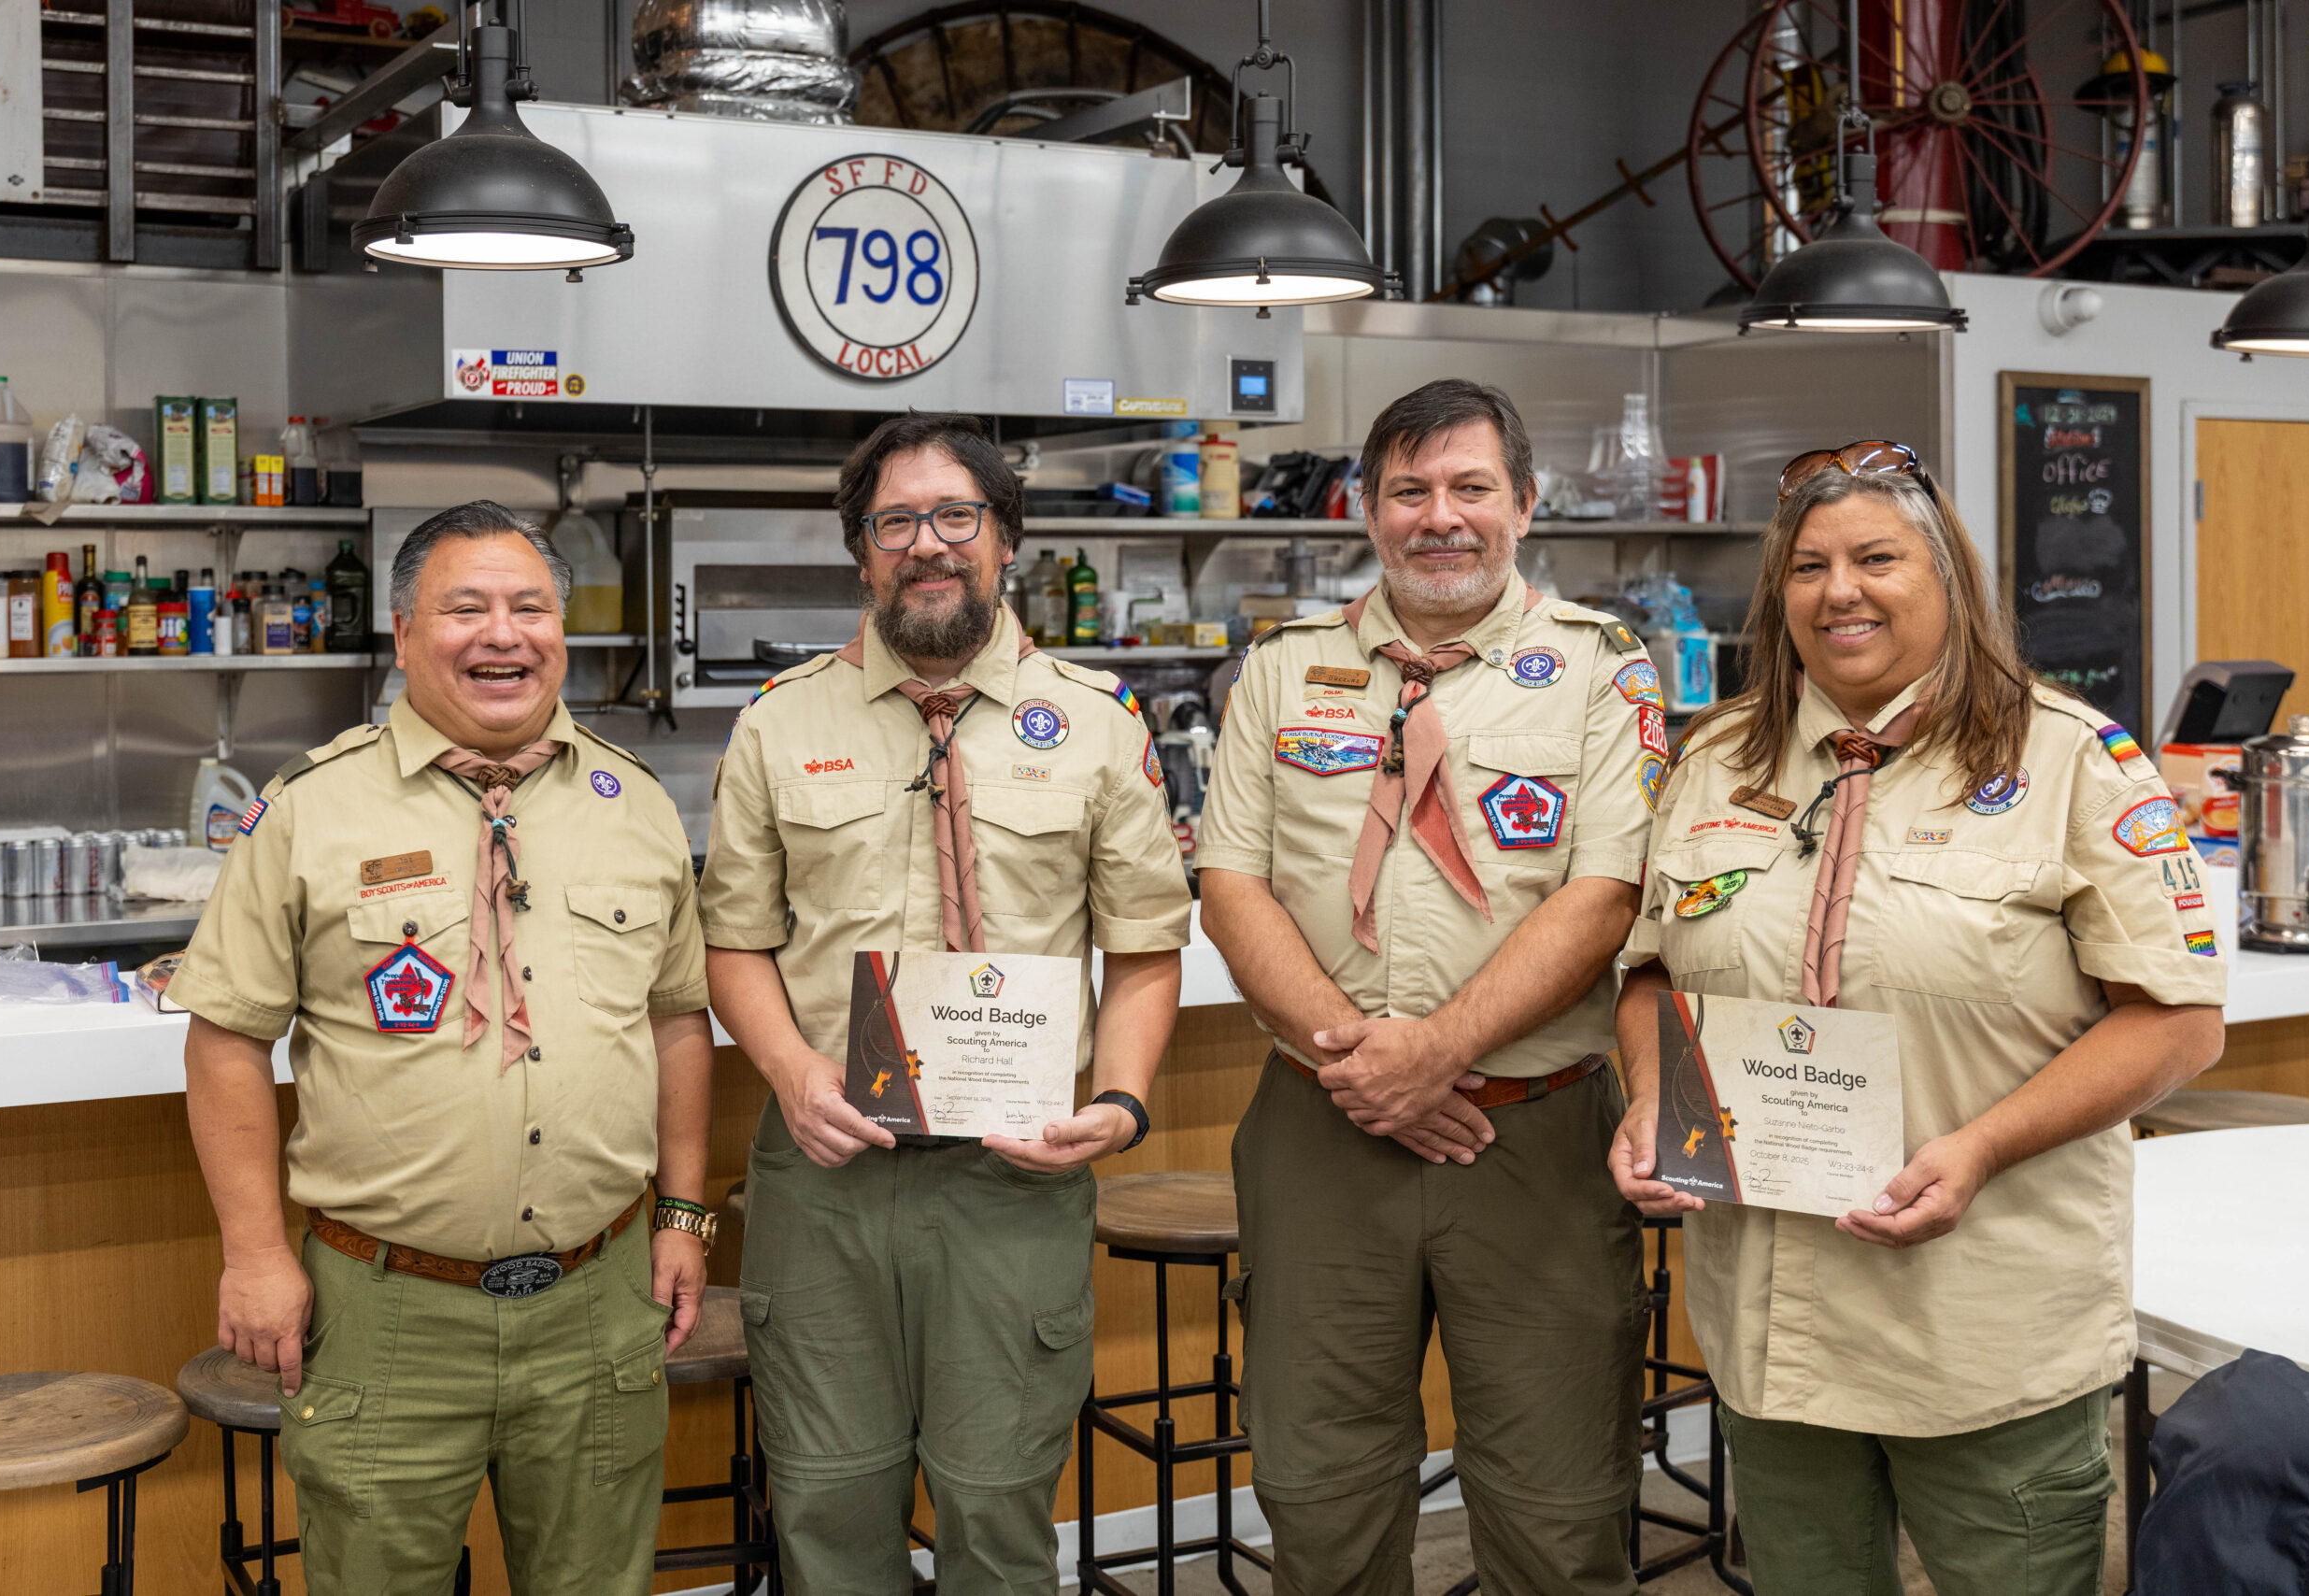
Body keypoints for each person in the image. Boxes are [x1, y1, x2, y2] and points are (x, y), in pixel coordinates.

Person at [1610, 442, 2227, 1596]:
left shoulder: (2072, 764)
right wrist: (1651, 1101)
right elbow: (1648, 973)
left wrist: (1980, 1145)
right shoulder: (1710, 761)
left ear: (1949, 578)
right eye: (1807, 566)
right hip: (1775, 1328)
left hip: (1982, 1324)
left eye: (1876, 558)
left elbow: (2177, 1020)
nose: (1838, 590)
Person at [174, 502, 715, 1595]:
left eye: (529, 608)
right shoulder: (308, 810)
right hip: (386, 1311)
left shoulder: (640, 804)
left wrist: (685, 1212)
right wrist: (257, 1254)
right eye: (465, 608)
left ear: (564, 629)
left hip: (598, 1299)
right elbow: (227, 1036)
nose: (502, 635)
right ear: (405, 630)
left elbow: (676, 1018)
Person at [698, 412, 1191, 1595]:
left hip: (1010, 1178)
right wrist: (788, 1071)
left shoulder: (1097, 723)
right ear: (862, 553)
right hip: (825, 1175)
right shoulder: (778, 722)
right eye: (896, 522)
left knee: (997, 1506)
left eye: (955, 516)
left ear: (1004, 537)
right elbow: (733, 943)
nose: (928, 544)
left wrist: (1118, 1104)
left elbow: (1143, 948)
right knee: (825, 1500)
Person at [1194, 378, 1659, 1596]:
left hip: (1537, 1132)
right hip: (1321, 1127)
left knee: (1560, 1503)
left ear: (1524, 504)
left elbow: (1607, 892)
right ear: (1366, 507)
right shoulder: (1284, 673)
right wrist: (1367, 1062)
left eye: (1469, 488)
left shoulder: (1603, 673)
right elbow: (1231, 881)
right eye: (1411, 491)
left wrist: (1437, 1047)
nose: (1439, 517)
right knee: (1319, 1489)